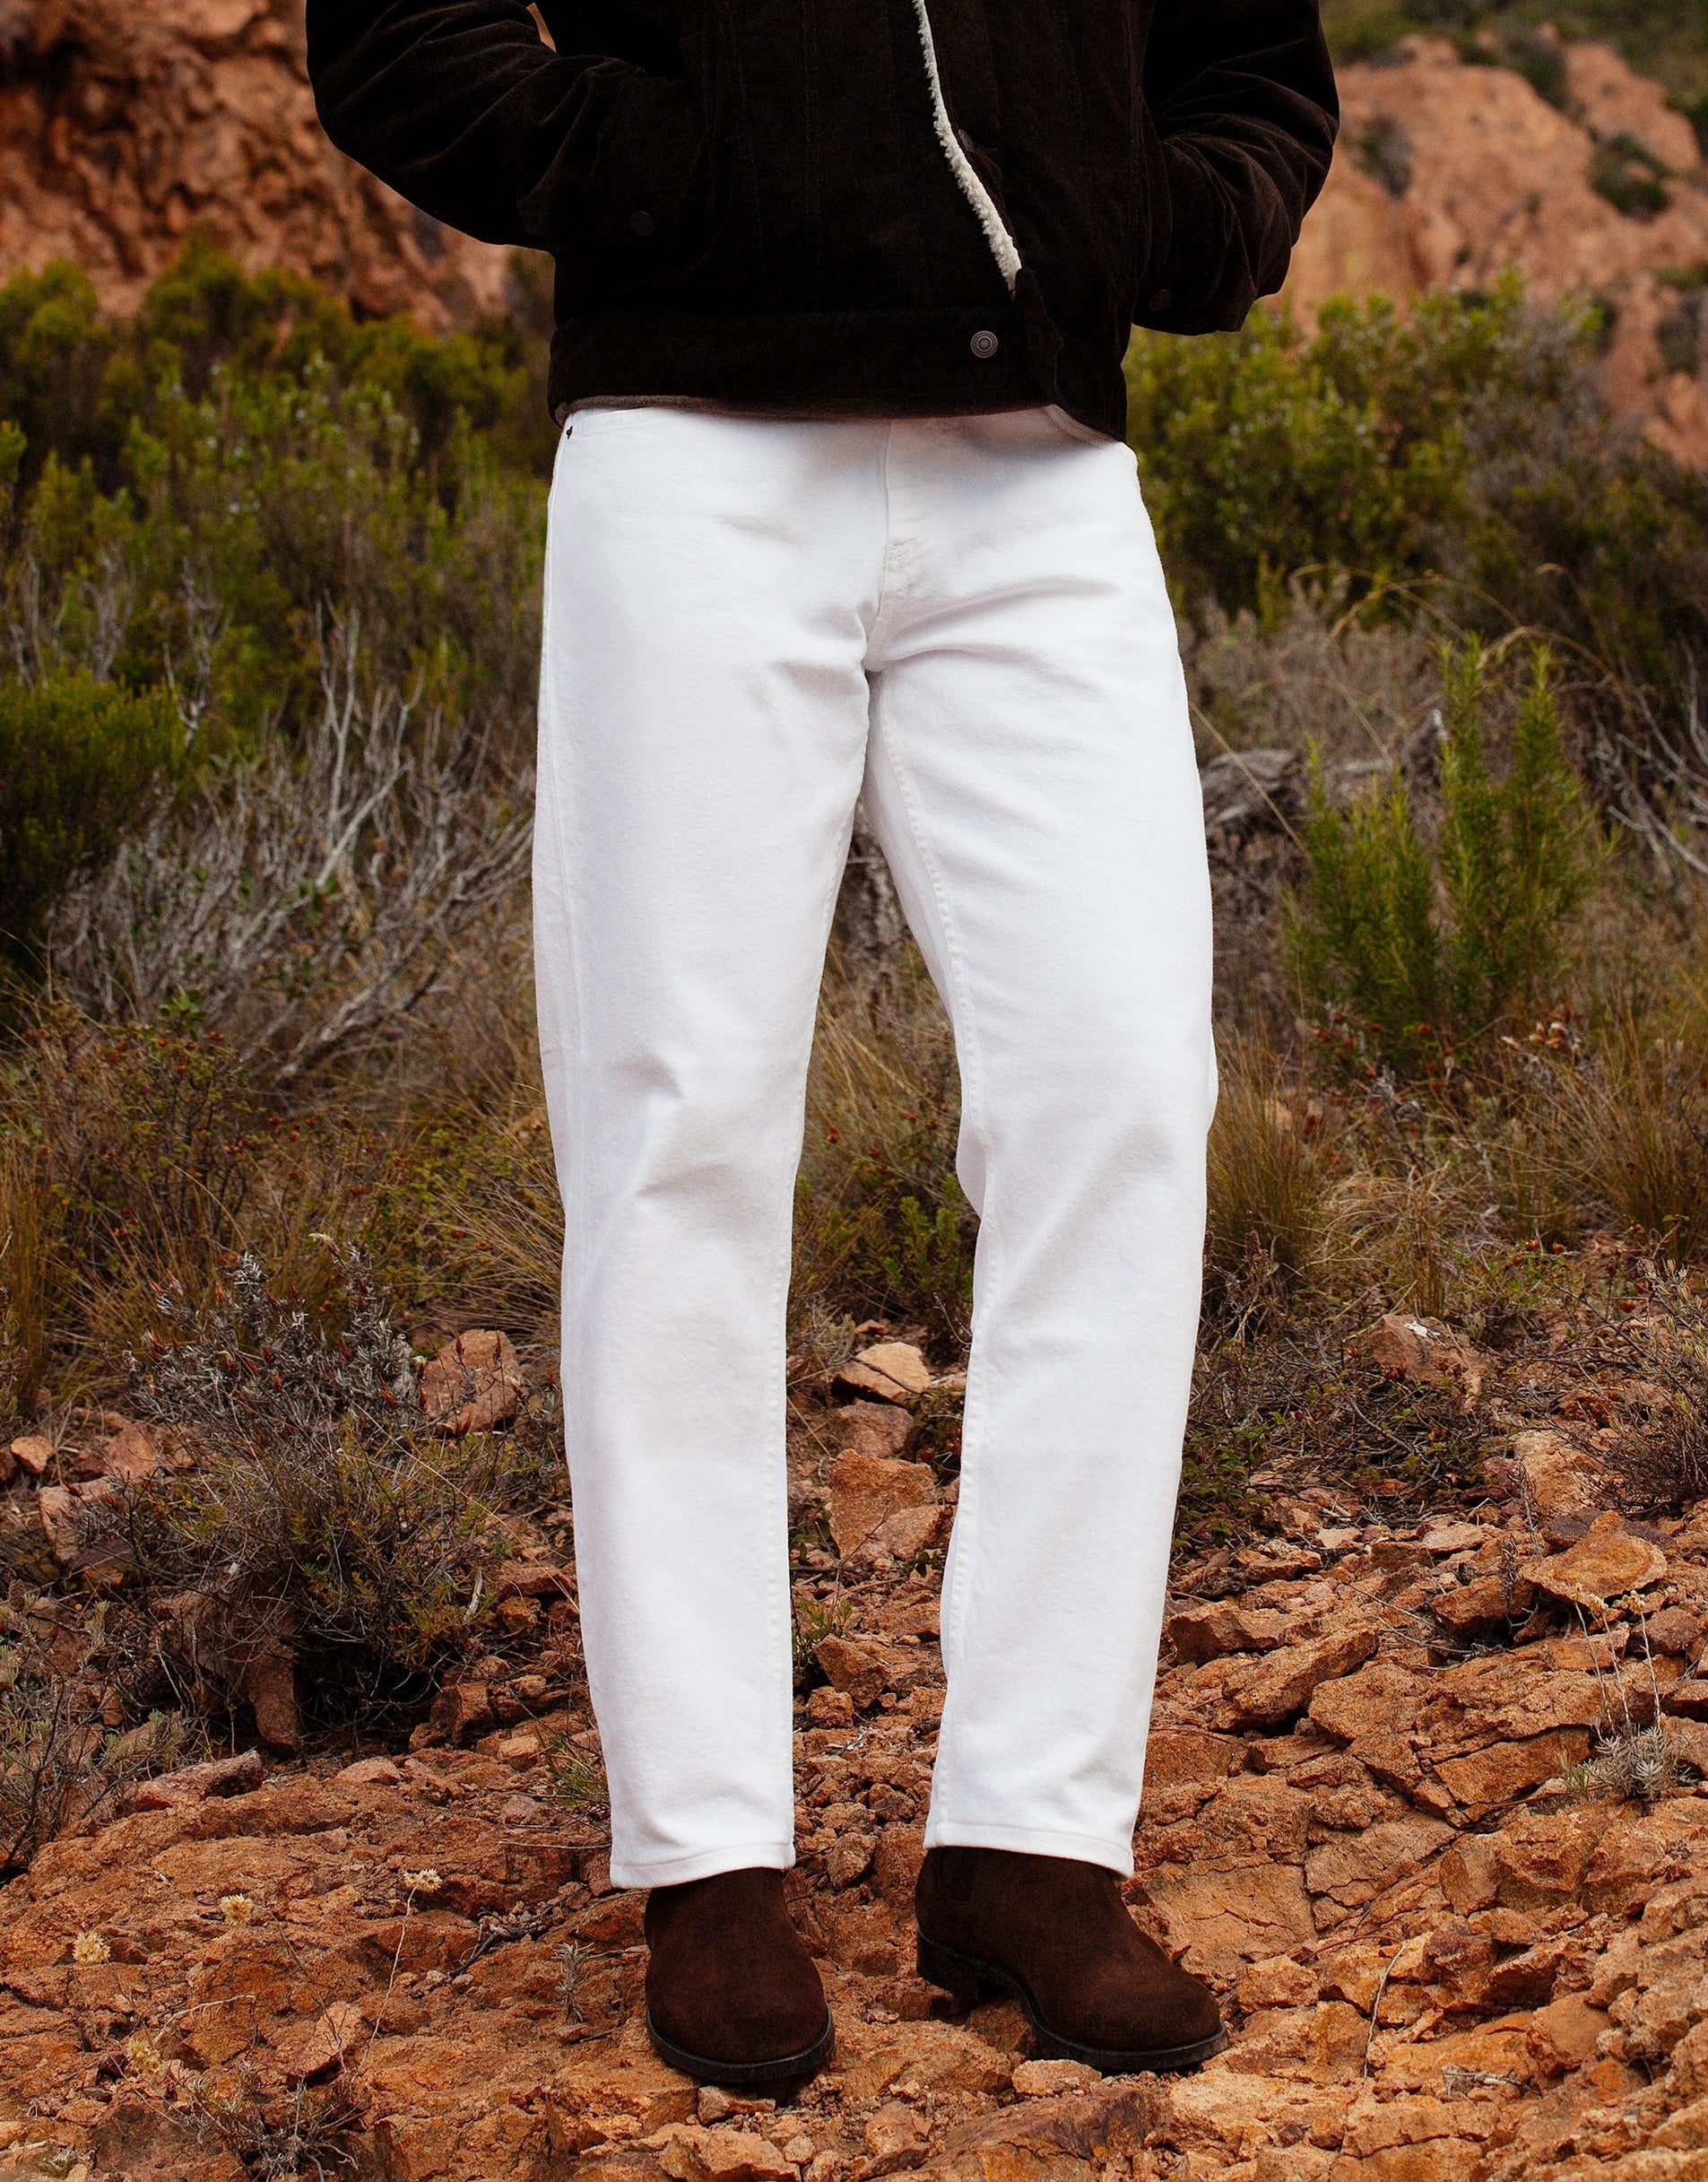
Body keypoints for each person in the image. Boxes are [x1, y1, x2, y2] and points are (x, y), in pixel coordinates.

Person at [307, 0, 1338, 2090]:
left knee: (1122, 1104)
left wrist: (1141, 219)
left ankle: (1029, 1839)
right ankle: (707, 1856)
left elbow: (1258, 70)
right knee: (678, 1130)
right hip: (694, 448)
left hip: (1040, 480)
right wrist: (685, 181)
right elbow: (394, 36)